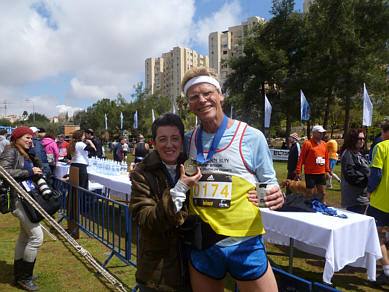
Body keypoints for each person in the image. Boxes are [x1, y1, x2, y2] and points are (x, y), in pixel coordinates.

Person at [182, 67, 284, 292]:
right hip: (204, 243)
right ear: (189, 104)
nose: (202, 100)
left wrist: (273, 194)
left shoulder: (251, 136)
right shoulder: (188, 140)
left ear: (220, 95)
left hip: (244, 242)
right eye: (194, 97)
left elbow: (269, 181)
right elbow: (182, 171)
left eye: (207, 93)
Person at [130, 113, 202, 292]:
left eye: (175, 138)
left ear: (182, 141)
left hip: (196, 267)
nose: (169, 145)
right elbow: (145, 219)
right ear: (153, 142)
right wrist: (181, 187)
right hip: (158, 274)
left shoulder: (193, 166)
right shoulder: (142, 172)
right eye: (163, 139)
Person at [0, 126, 44, 291]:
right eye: (26, 137)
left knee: (24, 237)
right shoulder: (10, 150)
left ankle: (20, 274)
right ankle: (25, 277)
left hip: (26, 197)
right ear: (16, 138)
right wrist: (28, 171)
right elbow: (3, 171)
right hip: (17, 199)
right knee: (36, 237)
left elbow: (40, 167)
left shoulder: (23, 151)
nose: (30, 140)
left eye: (31, 138)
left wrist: (32, 155)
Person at [366, 120, 389, 285]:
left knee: (376, 235)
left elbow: (376, 173)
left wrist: (369, 189)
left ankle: (387, 270)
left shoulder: (381, 147)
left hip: (381, 201)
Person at [295, 125, 331, 200]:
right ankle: (309, 206)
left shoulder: (324, 144)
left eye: (322, 133)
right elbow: (301, 158)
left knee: (322, 192)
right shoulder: (307, 144)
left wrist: (327, 171)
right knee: (310, 192)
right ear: (314, 133)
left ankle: (321, 206)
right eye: (320, 133)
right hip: (310, 173)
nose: (322, 134)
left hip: (321, 173)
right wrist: (298, 171)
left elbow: (326, 158)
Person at [339, 128, 370, 214]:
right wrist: (368, 180)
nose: (362, 141)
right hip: (354, 198)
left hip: (362, 196)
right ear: (353, 139)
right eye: (359, 139)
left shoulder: (358, 153)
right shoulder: (348, 154)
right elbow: (351, 176)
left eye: (363, 138)